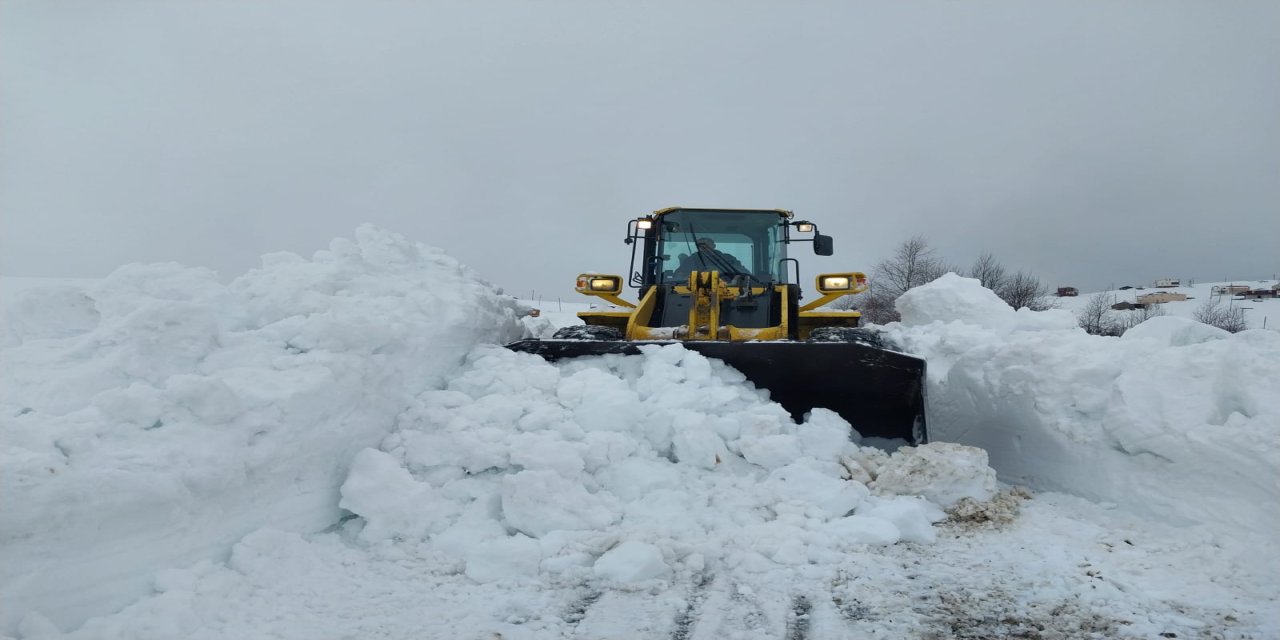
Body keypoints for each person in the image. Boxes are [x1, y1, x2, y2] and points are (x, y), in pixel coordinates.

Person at [675, 237, 748, 277]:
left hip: (728, 288)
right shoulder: (690, 260)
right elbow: (678, 275)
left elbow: (742, 272)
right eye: (700, 245)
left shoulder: (728, 258)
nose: (703, 247)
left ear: (713, 246)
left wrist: (718, 270)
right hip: (695, 290)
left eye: (706, 244)